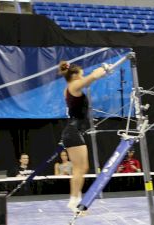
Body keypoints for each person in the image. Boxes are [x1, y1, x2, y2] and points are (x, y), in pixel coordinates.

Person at [58, 61, 107, 213]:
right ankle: (74, 201)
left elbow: (89, 79)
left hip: (74, 131)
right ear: (74, 76)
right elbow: (92, 77)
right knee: (80, 168)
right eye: (81, 75)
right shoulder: (73, 86)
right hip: (73, 132)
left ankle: (76, 199)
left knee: (82, 168)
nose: (82, 77)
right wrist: (105, 68)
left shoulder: (69, 89)